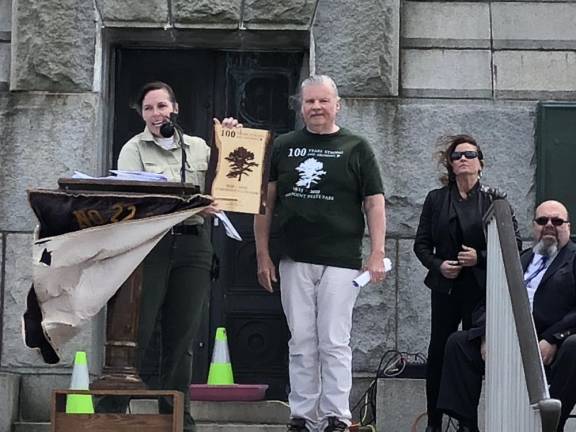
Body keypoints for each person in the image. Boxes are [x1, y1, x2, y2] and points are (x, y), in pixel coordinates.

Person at [254, 75, 386, 432]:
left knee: (333, 339)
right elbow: (265, 202)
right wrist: (262, 254)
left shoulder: (356, 147)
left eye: (323, 101)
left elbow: (374, 202)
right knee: (301, 340)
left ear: (337, 105)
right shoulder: (284, 145)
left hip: (341, 259)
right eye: (309, 101)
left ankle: (336, 416)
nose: (316, 107)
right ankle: (302, 415)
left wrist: (377, 251)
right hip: (294, 256)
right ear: (301, 106)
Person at [116, 81, 240, 431]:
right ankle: (112, 408)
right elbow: (132, 199)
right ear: (142, 114)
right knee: (136, 331)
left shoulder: (198, 147)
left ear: (176, 109)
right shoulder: (133, 149)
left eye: (162, 106)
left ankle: (175, 417)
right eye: (149, 108)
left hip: (194, 246)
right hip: (152, 245)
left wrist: (229, 139)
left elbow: (228, 179)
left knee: (183, 336)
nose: (157, 114)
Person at [437, 200, 576, 432]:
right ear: (534, 227)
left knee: (575, 347)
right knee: (458, 343)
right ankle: (467, 426)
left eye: (557, 221)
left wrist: (554, 338)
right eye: (542, 221)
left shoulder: (573, 258)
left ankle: (550, 425)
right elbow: (486, 302)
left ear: (568, 227)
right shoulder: (520, 260)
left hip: (552, 342)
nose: (549, 225)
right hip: (509, 338)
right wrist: (485, 335)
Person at [413, 134, 521, 432]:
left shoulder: (495, 199)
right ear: (450, 163)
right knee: (438, 353)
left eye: (470, 155)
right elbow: (421, 244)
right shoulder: (436, 199)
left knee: (469, 353)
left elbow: (514, 246)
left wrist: (481, 257)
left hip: (480, 289)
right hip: (446, 288)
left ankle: (467, 422)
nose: (463, 159)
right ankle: (434, 422)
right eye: (457, 155)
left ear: (480, 163)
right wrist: (438, 265)